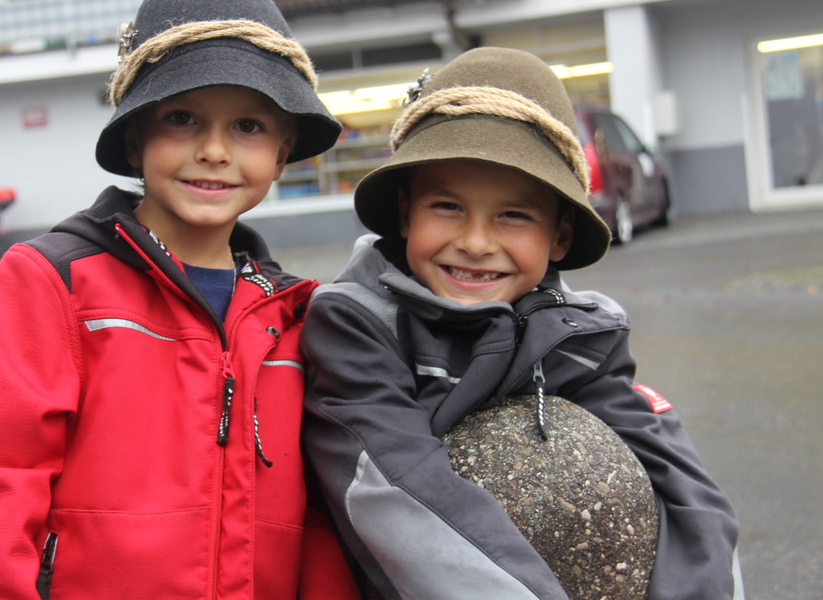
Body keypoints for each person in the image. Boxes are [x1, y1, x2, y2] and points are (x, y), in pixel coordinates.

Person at [0, 0, 359, 599]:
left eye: (249, 127)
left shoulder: (293, 317)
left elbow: (323, 522)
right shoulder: (51, 286)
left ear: (282, 154)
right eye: (183, 118)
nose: (214, 150)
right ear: (134, 139)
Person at [300, 47, 743, 600]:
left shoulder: (578, 337)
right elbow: (396, 489)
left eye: (513, 215)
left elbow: (681, 489)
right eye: (447, 207)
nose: (475, 242)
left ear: (560, 236)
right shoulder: (356, 327)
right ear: (406, 212)